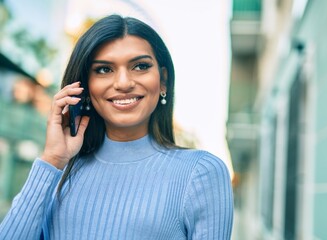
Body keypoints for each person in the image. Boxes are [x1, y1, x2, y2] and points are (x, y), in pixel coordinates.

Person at [0, 14, 233, 239]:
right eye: (104, 69)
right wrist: (52, 159)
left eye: (140, 66)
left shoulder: (200, 173)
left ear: (163, 80)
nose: (123, 83)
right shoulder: (58, 172)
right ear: (85, 87)